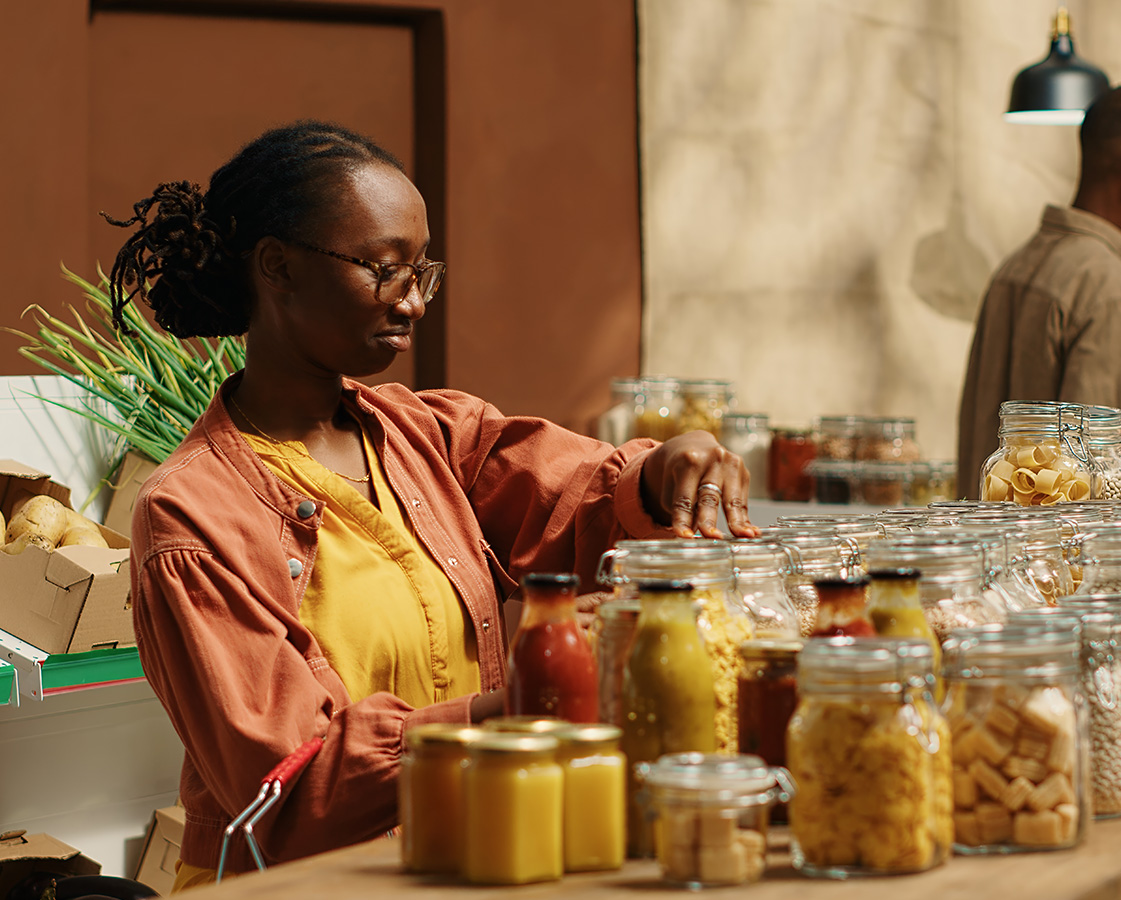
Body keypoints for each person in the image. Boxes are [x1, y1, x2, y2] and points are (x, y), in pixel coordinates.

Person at [107, 121, 758, 889]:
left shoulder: (430, 436)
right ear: (277, 267)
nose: (414, 302)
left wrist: (665, 469)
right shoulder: (194, 513)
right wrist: (510, 707)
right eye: (383, 270)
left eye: (424, 271)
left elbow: (584, 499)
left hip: (461, 859)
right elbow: (284, 792)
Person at [956, 82, 1121, 499]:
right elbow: (1110, 483)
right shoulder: (1111, 290)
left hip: (993, 554)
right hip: (1064, 562)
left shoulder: (1015, 267)